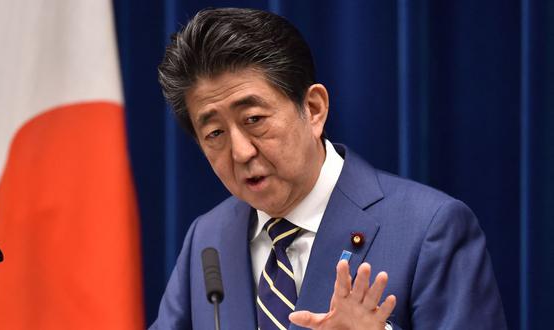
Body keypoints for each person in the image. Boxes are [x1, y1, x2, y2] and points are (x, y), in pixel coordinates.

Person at [150, 7, 507, 330]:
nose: (241, 152)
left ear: (314, 109)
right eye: (215, 133)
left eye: (254, 119)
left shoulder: (430, 229)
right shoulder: (208, 237)